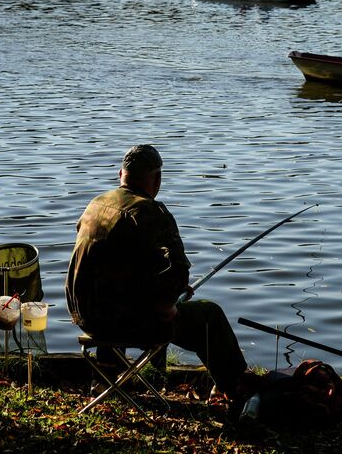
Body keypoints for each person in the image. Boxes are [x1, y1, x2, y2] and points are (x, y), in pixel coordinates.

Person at [65, 144, 251, 405]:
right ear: (157, 179)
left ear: (121, 174)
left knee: (112, 294)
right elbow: (179, 270)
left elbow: (112, 265)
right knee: (211, 316)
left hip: (84, 316)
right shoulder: (150, 211)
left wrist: (161, 288)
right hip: (122, 324)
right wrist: (167, 303)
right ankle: (234, 389)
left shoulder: (96, 204)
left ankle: (103, 380)